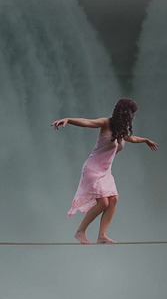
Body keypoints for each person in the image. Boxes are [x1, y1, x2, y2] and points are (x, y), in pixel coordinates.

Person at [52, 98, 158, 244]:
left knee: (113, 199)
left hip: (105, 171)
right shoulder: (105, 123)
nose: (132, 116)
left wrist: (145, 140)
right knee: (103, 203)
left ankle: (102, 235)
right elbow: (87, 122)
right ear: (125, 111)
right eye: (132, 113)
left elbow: (132, 139)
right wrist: (68, 120)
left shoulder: (121, 131)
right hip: (93, 169)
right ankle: (80, 232)